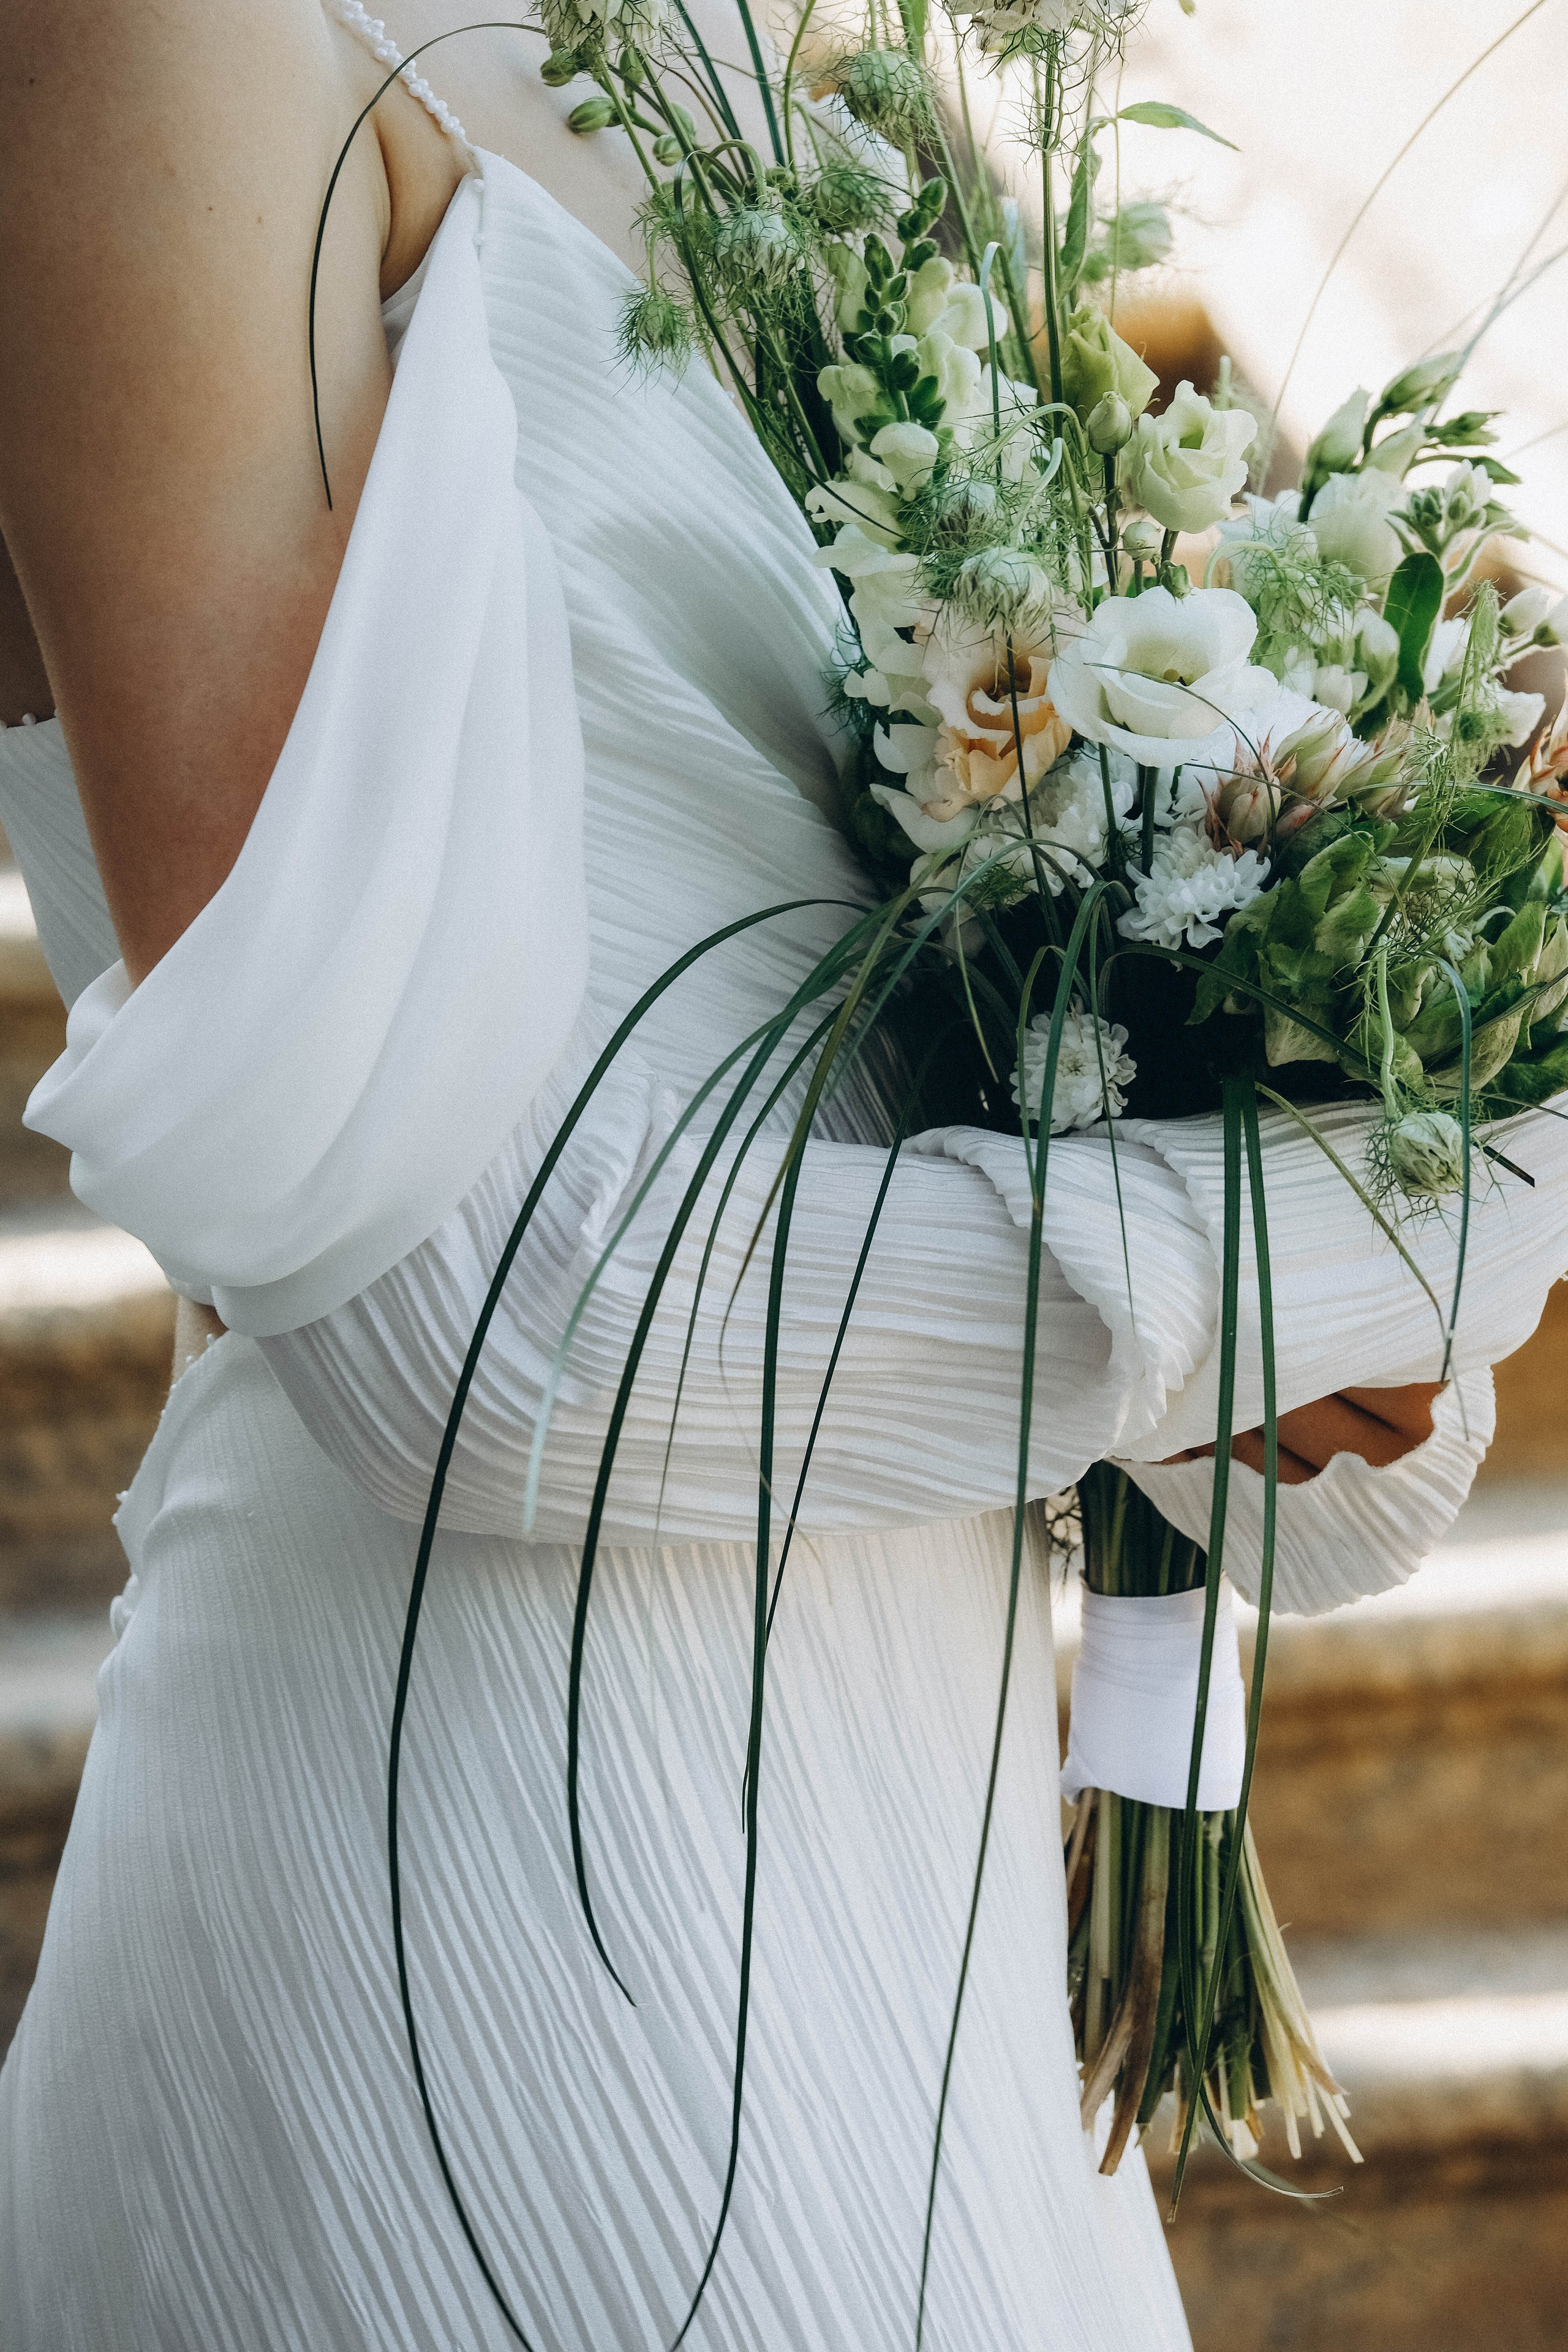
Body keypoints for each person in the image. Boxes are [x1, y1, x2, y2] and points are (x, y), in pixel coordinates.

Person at [0, 4, 1559, 2345]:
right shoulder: (152, 45)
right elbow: (473, 1331)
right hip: (475, 1952)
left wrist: (1419, 1032)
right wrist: (1406, 1220)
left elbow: (1329, 1490)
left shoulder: (816, 75)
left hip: (934, 1962)